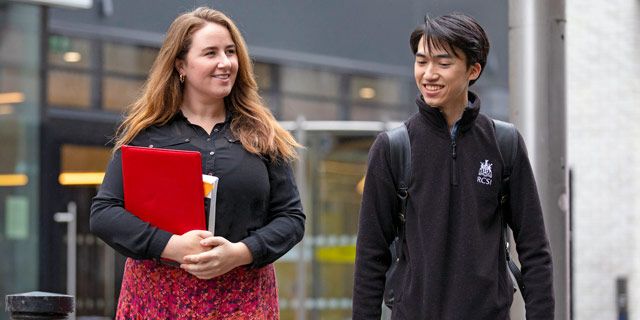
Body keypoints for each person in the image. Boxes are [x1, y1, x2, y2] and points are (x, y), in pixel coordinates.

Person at [90, 7, 305, 319]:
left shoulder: (263, 135)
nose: (225, 62)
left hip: (244, 300)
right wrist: (169, 245)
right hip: (157, 301)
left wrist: (240, 253)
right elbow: (104, 214)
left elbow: (291, 219)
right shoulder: (145, 135)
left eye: (230, 52)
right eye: (210, 53)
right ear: (181, 65)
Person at [352, 13, 554, 319]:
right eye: (421, 62)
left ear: (473, 70)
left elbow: (534, 249)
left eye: (443, 64)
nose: (429, 74)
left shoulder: (504, 143)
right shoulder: (393, 148)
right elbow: (370, 257)